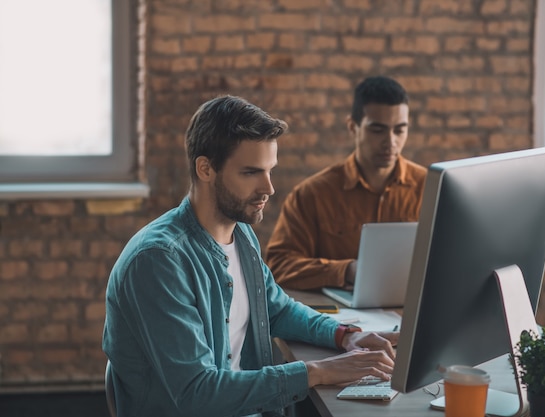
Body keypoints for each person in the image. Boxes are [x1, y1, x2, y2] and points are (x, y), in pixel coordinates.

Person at [102, 95, 398, 417]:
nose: (269, 188)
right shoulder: (158, 261)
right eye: (251, 173)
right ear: (206, 169)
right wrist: (319, 372)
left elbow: (275, 307)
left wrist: (344, 336)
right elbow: (197, 392)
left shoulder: (240, 233)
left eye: (270, 170)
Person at [265, 76, 428, 290]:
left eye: (399, 130)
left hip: (410, 313)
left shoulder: (430, 188)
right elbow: (278, 265)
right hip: (340, 317)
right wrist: (347, 271)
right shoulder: (312, 194)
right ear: (353, 127)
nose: (391, 142)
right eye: (377, 130)